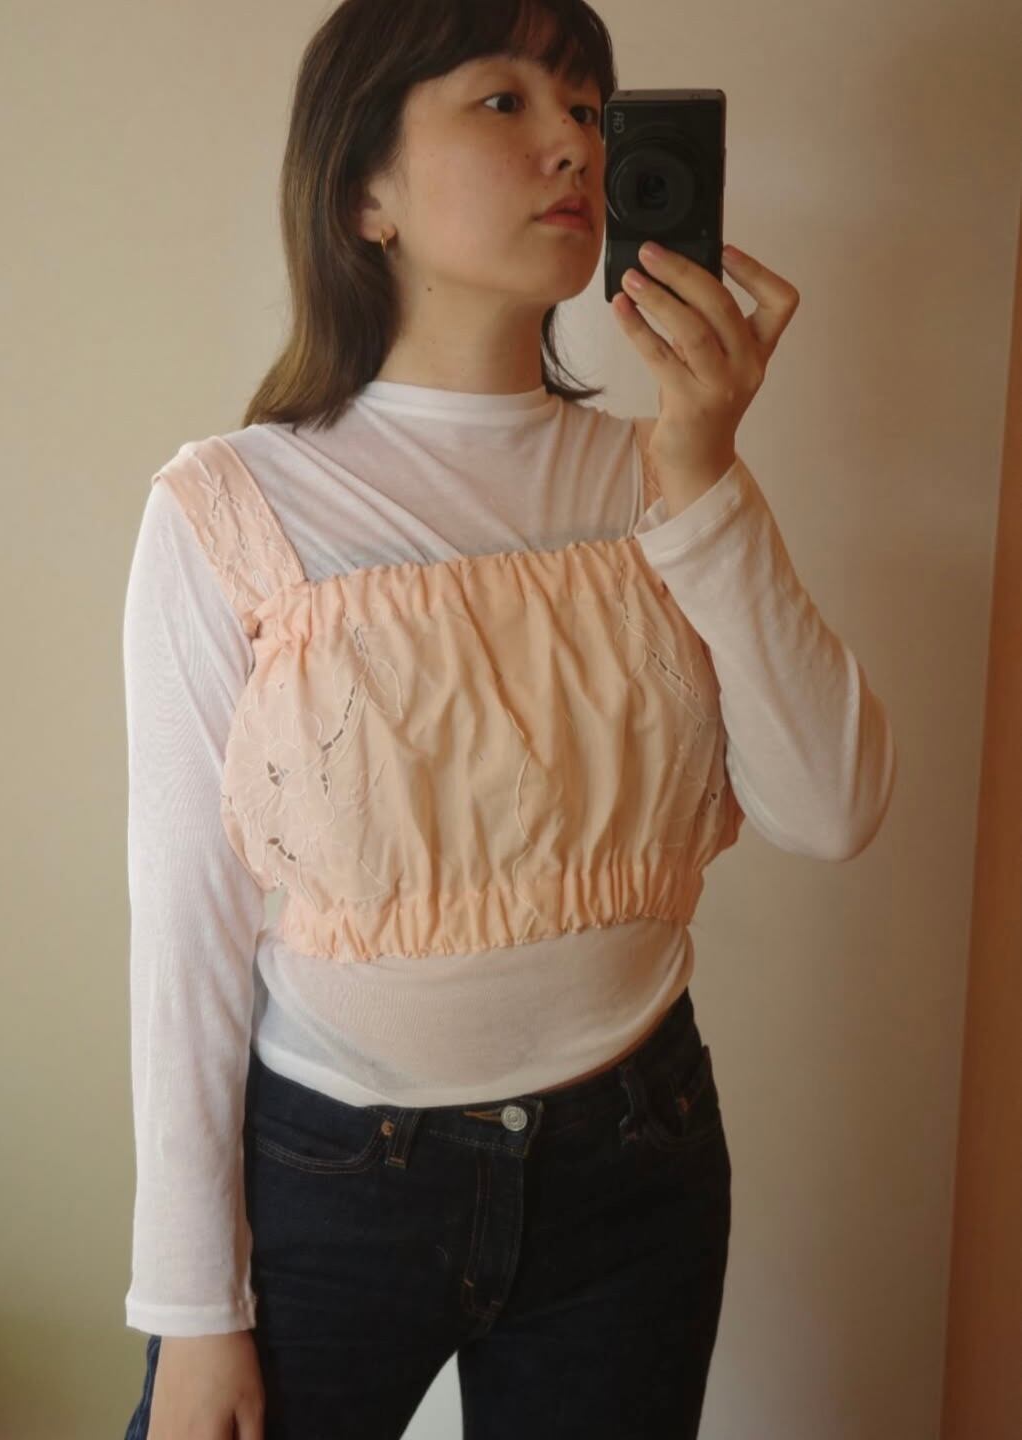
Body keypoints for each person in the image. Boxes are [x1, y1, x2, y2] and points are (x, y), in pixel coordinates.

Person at [120, 1, 897, 1436]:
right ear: (363, 193)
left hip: (638, 1171)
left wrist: (706, 474)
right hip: (331, 1193)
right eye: (504, 101)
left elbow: (832, 807)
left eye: (590, 108)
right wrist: (191, 1309)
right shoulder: (235, 507)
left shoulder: (660, 477)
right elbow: (185, 925)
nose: (573, 145)